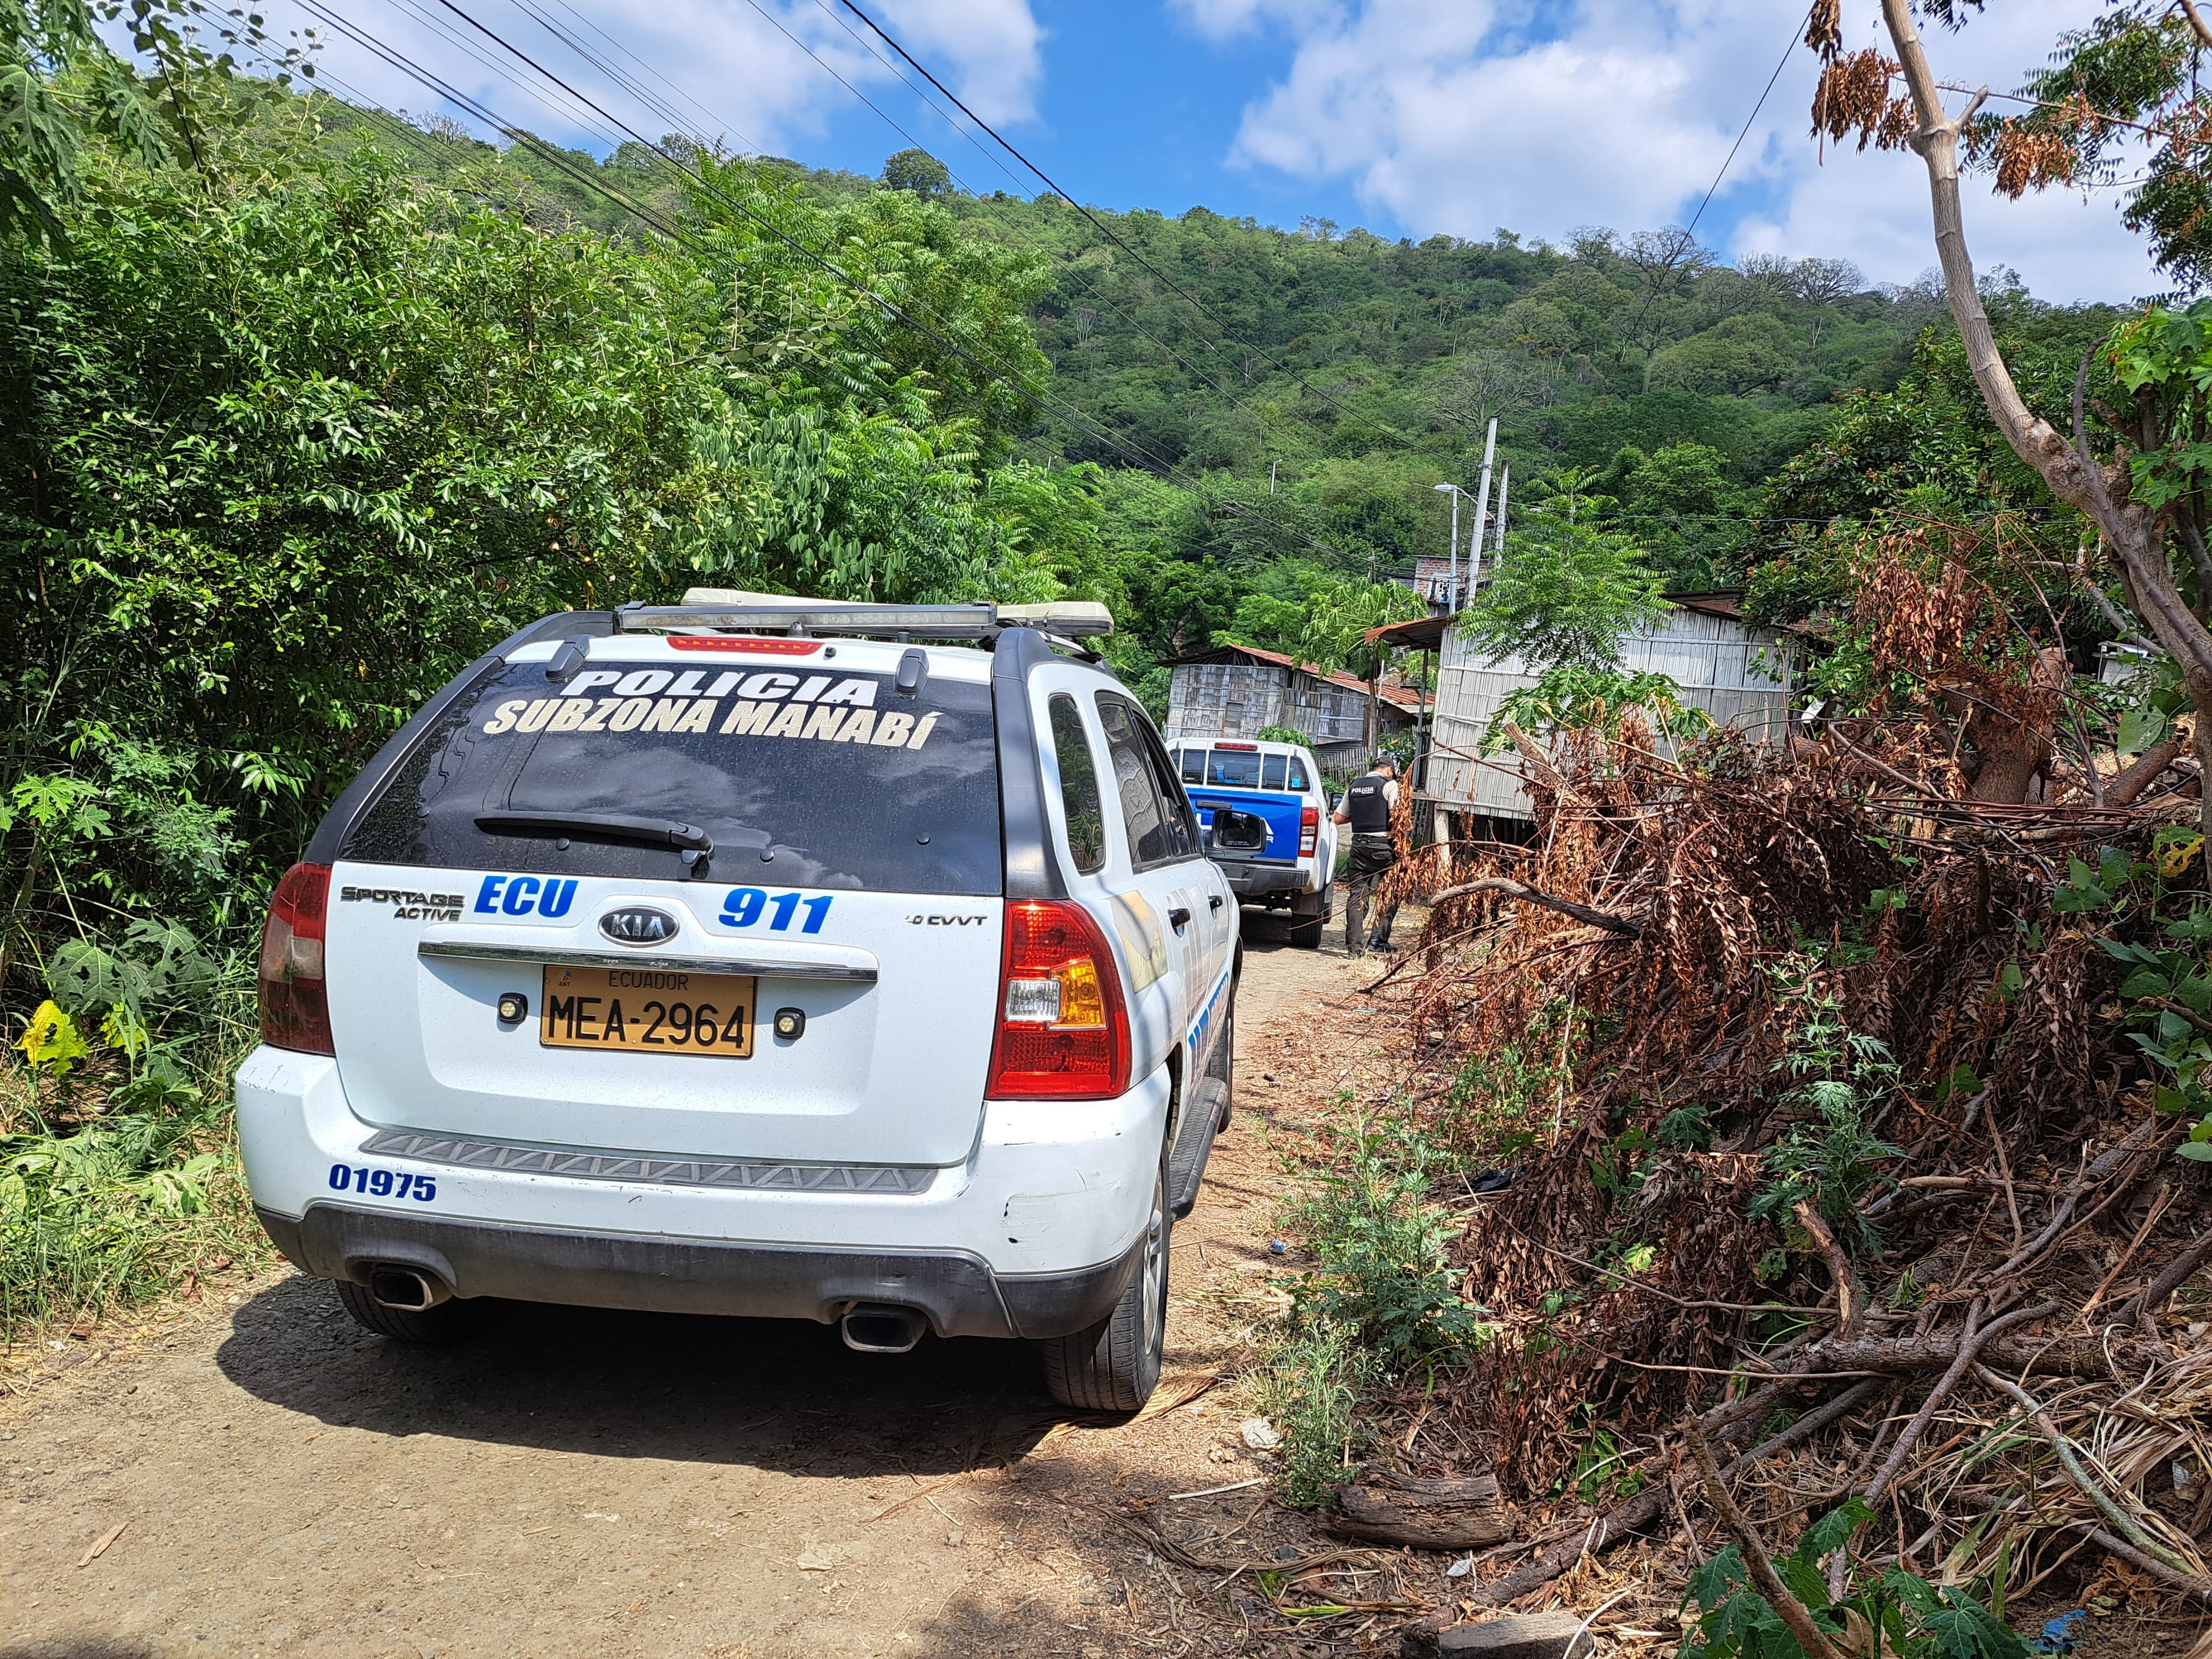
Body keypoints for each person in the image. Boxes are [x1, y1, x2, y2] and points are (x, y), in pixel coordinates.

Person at [1334, 755, 1401, 957]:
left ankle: (1354, 949)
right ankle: (1377, 941)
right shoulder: (1390, 785)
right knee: (1390, 892)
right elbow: (1398, 818)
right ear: (1389, 771)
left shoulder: (1354, 786)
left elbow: (1338, 818)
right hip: (1383, 848)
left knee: (1357, 896)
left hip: (1359, 847)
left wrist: (1363, 815)